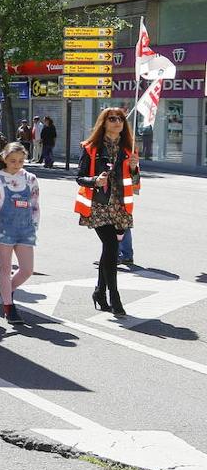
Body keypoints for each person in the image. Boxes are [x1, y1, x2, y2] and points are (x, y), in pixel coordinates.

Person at [75, 107, 140, 317]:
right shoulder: (91, 147)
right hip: (98, 206)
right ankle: (114, 296)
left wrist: (133, 168)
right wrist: (95, 181)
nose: (117, 122)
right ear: (104, 122)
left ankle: (99, 292)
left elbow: (136, 183)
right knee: (111, 245)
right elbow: (79, 177)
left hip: (120, 206)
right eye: (112, 118)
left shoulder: (129, 148)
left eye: (120, 119)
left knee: (109, 249)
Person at [0, 143, 40, 325]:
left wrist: (34, 226)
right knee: (5, 268)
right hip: (5, 228)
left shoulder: (31, 178)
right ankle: (8, 306)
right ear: (4, 158)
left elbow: (35, 205)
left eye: (21, 161)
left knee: (27, 270)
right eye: (13, 161)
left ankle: (6, 289)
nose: (17, 164)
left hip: (26, 229)